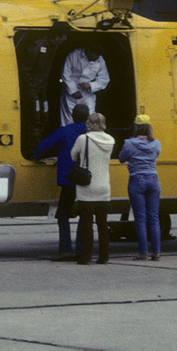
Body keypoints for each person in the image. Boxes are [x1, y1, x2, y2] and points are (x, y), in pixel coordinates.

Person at [33, 103, 92, 259]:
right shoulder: (93, 133)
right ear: (88, 117)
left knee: (63, 214)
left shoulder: (65, 131)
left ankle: (65, 249)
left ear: (72, 115)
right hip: (88, 179)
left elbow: (42, 147)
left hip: (70, 180)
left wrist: (38, 157)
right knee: (85, 214)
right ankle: (81, 250)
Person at [71, 112, 116, 265]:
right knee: (103, 224)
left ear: (89, 123)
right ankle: (104, 257)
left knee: (86, 224)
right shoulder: (111, 140)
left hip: (87, 187)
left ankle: (86, 257)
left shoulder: (83, 139)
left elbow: (73, 155)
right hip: (104, 186)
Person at [119, 114, 163, 260]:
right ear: (149, 127)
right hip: (153, 179)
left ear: (135, 127)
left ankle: (143, 253)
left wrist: (128, 143)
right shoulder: (156, 143)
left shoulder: (129, 144)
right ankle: (156, 252)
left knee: (140, 218)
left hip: (136, 180)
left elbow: (121, 159)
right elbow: (155, 155)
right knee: (154, 218)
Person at [60, 48, 109, 126]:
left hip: (87, 93)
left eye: (98, 55)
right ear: (89, 51)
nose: (97, 57)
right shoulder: (73, 55)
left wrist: (90, 85)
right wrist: (73, 90)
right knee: (69, 119)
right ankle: (69, 137)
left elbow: (104, 79)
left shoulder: (100, 60)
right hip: (71, 91)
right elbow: (65, 74)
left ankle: (87, 137)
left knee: (90, 118)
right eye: (95, 54)